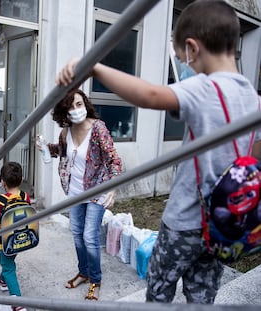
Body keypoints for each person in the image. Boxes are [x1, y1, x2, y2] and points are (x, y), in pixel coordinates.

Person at [56, 0, 260, 304]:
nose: (187, 66)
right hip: (222, 224)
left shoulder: (204, 87)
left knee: (160, 287)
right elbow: (254, 157)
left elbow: (150, 95)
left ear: (193, 48)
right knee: (201, 294)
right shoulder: (254, 99)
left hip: (184, 221)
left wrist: (94, 67)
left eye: (182, 59)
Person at [41, 89, 122, 301]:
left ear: (85, 104)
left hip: (97, 191)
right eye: (71, 106)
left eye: (79, 104)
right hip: (75, 192)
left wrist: (112, 188)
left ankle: (95, 279)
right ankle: (84, 272)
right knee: (77, 234)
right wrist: (44, 147)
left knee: (89, 236)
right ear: (64, 111)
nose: (77, 110)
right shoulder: (65, 132)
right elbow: (60, 150)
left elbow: (113, 160)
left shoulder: (98, 129)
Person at [0, 162, 29, 311]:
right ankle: (3, 281)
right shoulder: (25, 196)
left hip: (5, 241)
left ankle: (17, 302)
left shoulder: (0, 201)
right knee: (9, 262)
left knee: (8, 268)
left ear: (2, 182)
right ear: (21, 179)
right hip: (21, 237)